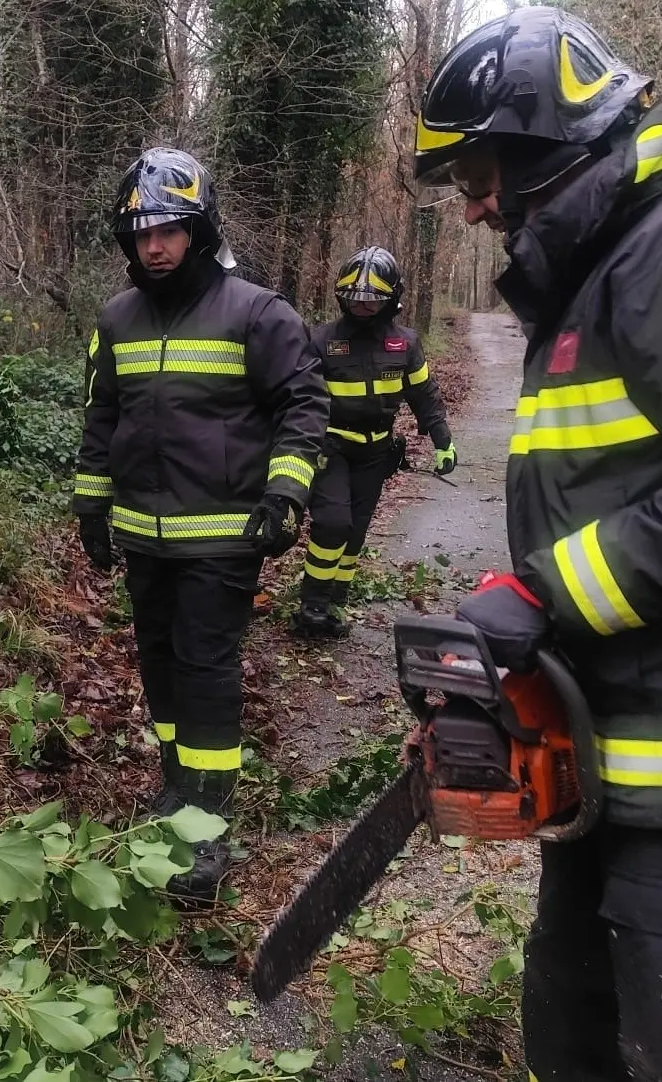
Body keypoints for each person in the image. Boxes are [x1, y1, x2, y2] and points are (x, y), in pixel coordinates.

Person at [418, 5, 662, 1081]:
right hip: (615, 765)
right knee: (571, 1034)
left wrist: (543, 594)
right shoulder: (591, 287)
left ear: (549, 144)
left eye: (479, 173)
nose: (473, 208)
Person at [71, 146, 330, 900]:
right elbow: (101, 416)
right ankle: (177, 786)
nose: (153, 244)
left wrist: (285, 494)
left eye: (169, 229)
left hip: (222, 536)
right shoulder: (115, 317)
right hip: (142, 534)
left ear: (199, 229)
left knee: (205, 668)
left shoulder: (255, 310)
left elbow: (303, 407)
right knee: (158, 663)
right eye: (141, 232)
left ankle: (208, 823)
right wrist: (90, 504)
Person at [291, 246, 455, 638]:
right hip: (329, 447)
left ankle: (336, 600)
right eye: (355, 298)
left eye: (372, 299)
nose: (362, 305)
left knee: (355, 531)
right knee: (332, 523)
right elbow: (298, 398)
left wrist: (442, 440)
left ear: (391, 298)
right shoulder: (321, 341)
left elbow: (424, 394)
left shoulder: (405, 343)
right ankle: (312, 603)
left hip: (376, 452)